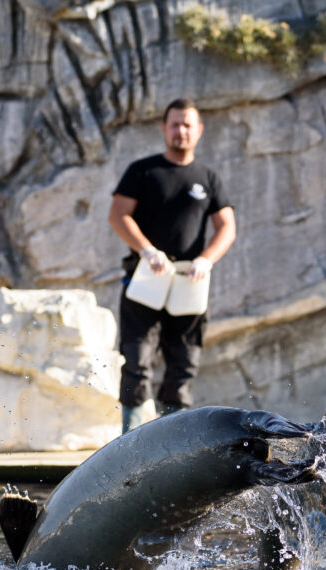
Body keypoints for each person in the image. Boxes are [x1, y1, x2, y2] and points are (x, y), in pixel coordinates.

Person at [108, 98, 236, 433]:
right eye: (175, 124)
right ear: (164, 128)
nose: (181, 131)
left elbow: (227, 226)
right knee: (136, 362)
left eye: (187, 125)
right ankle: (131, 442)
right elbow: (118, 215)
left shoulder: (207, 178)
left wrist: (206, 259)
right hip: (144, 280)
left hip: (189, 283)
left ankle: (171, 439)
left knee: (183, 364)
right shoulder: (143, 170)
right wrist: (147, 250)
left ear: (199, 131)